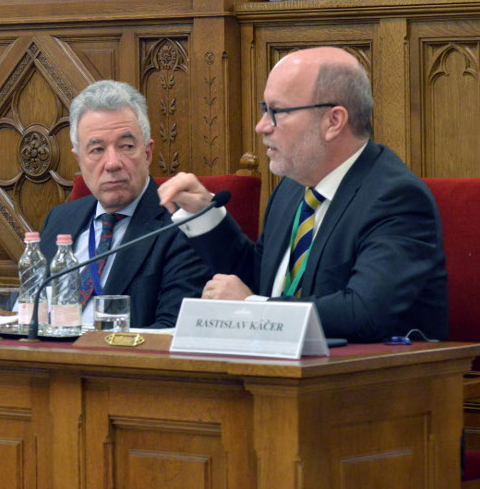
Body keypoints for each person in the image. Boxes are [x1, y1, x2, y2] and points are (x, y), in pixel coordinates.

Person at [159, 47, 448, 342]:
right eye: (264, 109)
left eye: (277, 112)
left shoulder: (396, 199)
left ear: (333, 121)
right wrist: (204, 215)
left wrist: (253, 309)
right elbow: (260, 281)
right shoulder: (291, 188)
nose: (261, 126)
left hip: (366, 369)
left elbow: (362, 313)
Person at [39, 81, 208, 328]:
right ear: (79, 160)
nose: (112, 163)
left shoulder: (182, 225)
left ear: (147, 153)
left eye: (126, 147)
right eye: (97, 149)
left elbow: (172, 331)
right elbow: (29, 311)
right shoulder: (59, 219)